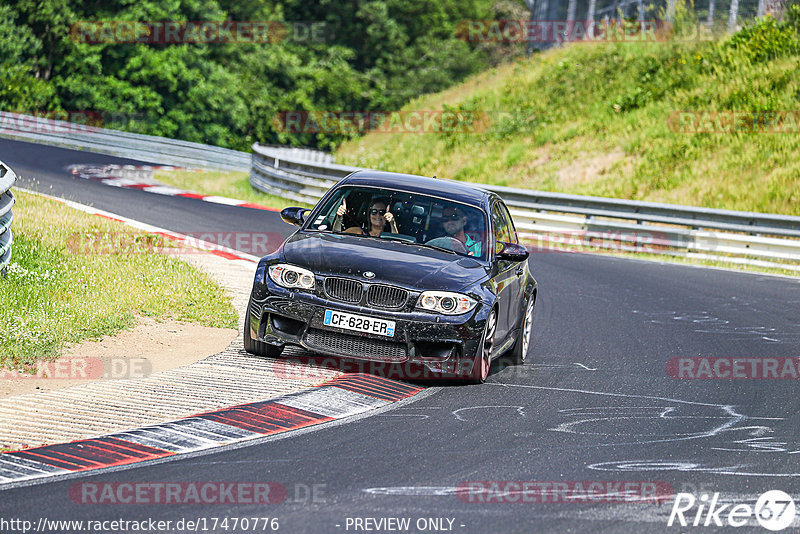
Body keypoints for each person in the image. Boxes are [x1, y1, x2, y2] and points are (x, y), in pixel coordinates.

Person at [333, 197, 398, 237]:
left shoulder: (389, 237)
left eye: (382, 212)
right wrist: (339, 218)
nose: (377, 215)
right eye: (374, 212)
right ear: (369, 215)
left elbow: (396, 243)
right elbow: (336, 236)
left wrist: (392, 223)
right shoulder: (357, 231)